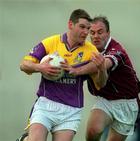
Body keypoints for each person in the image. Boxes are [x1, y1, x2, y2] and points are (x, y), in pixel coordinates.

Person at [17, 9, 107, 141]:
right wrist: (41, 67)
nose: (86, 32)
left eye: (88, 28)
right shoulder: (51, 42)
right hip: (46, 104)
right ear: (70, 24)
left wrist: (102, 69)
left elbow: (100, 84)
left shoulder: (91, 51)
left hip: (71, 110)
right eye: (82, 27)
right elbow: (24, 65)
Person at [85, 16, 140, 141]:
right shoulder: (87, 50)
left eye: (100, 32)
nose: (96, 36)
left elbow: (104, 64)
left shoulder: (117, 50)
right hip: (105, 100)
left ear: (108, 33)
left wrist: (76, 69)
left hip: (127, 103)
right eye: (92, 33)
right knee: (92, 130)